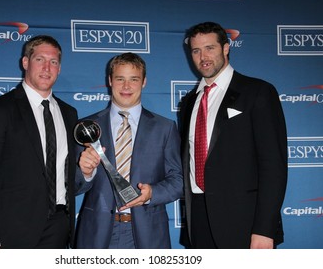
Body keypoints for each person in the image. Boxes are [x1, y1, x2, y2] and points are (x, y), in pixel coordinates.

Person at [178, 22, 288, 249]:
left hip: (245, 224)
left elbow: (273, 165)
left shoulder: (258, 92)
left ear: (226, 48)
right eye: (196, 51)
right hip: (198, 221)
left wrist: (264, 229)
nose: (203, 57)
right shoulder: (189, 102)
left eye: (210, 48)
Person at [0, 35, 79, 249]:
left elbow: (69, 173)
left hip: (58, 227)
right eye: (40, 59)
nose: (47, 67)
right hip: (12, 229)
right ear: (25, 62)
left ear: (59, 68)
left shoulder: (69, 114)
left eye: (54, 62)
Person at [74, 52, 183, 249]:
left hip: (148, 234)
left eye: (134, 79)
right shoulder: (87, 127)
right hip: (97, 234)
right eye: (120, 79)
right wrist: (85, 173)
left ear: (144, 82)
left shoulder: (164, 128)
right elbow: (72, 186)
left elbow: (178, 181)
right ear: (109, 81)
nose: (126, 86)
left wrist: (152, 193)